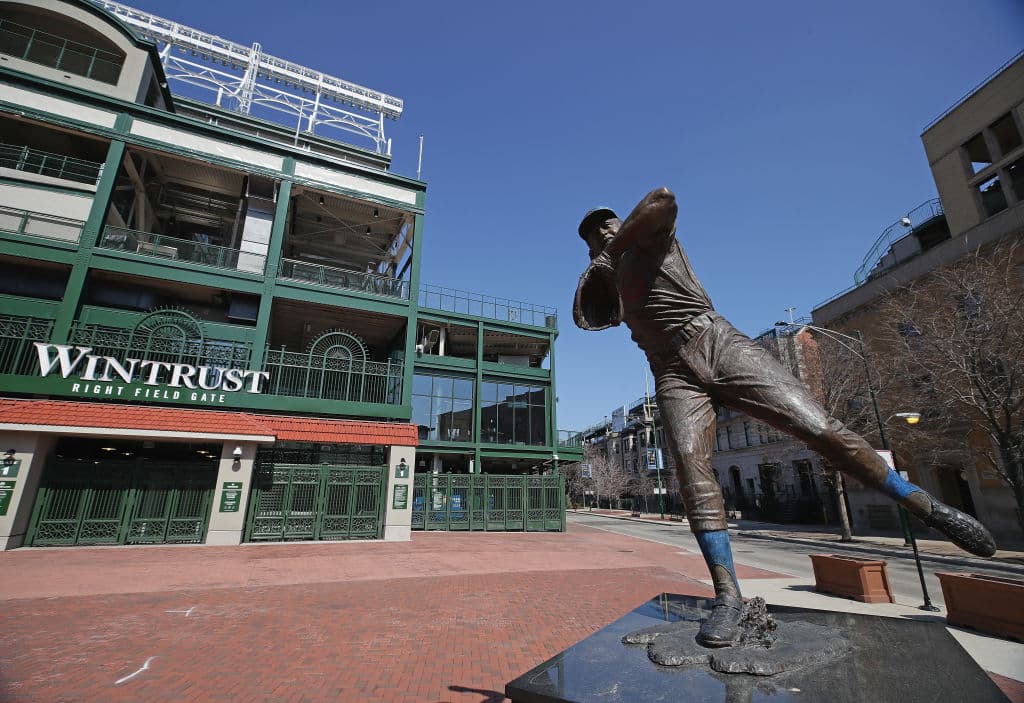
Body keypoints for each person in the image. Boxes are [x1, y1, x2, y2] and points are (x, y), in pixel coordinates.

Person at [573, 187, 996, 648]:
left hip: (716, 342)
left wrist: (613, 249)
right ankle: (728, 596)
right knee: (692, 470)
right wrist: (600, 268)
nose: (605, 231)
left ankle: (924, 506)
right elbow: (589, 317)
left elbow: (663, 199)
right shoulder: (609, 278)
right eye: (595, 233)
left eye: (609, 223)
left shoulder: (651, 240)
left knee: (817, 427)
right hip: (671, 373)